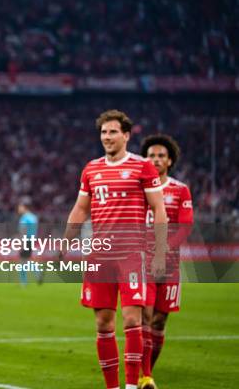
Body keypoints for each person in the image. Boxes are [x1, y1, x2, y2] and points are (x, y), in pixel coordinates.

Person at [62, 110, 168, 389]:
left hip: (132, 254)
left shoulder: (143, 167)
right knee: (103, 324)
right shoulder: (91, 169)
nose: (107, 137)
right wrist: (66, 241)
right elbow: (80, 209)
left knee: (133, 318)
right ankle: (112, 387)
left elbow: (159, 209)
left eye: (112, 132)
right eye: (103, 133)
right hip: (99, 255)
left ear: (126, 135)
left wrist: (158, 253)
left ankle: (133, 384)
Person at [138, 134, 193, 389]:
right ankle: (145, 375)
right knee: (144, 317)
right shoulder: (137, 188)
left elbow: (185, 227)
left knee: (159, 321)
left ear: (169, 160)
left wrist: (164, 250)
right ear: (145, 160)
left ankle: (145, 373)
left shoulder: (180, 189)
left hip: (169, 264)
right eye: (151, 155)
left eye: (161, 155)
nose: (156, 159)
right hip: (141, 263)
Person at [16, 198, 40, 285]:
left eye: (19, 207)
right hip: (32, 240)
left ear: (24, 207)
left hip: (26, 240)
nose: (18, 209)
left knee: (22, 261)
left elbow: (23, 231)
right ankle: (37, 272)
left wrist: (21, 244)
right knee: (27, 259)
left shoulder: (24, 218)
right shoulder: (34, 217)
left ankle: (24, 282)